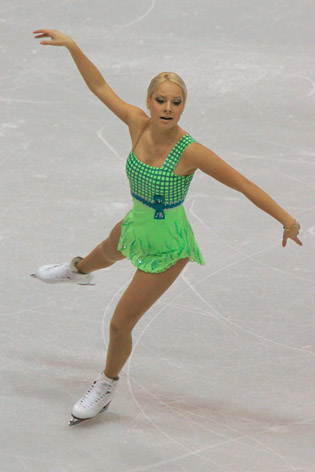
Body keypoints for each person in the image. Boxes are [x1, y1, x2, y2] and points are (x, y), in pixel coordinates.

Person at [32, 29, 303, 425]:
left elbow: (242, 183)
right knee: (101, 256)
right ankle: (76, 271)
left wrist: (286, 218)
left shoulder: (190, 150)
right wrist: (73, 46)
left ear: (183, 107)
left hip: (167, 243)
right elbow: (100, 86)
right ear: (149, 101)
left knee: (120, 322)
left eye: (177, 102)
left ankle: (106, 385)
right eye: (161, 100)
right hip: (136, 220)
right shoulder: (136, 124)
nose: (168, 107)